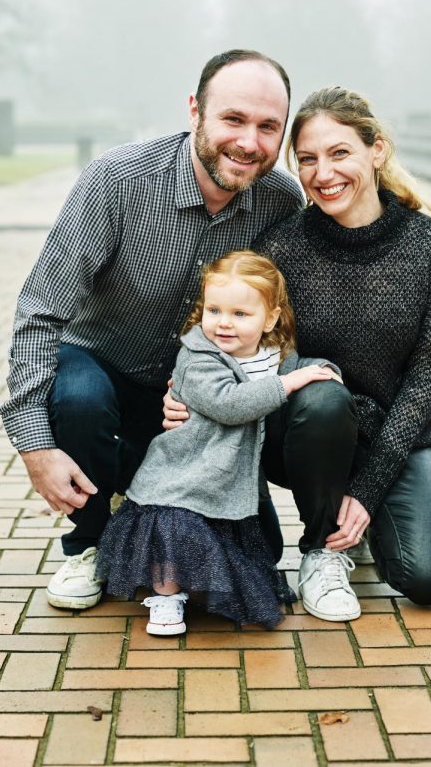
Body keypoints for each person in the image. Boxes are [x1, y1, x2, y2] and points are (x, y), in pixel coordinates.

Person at [0, 49, 312, 610]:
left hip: (199, 389)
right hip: (103, 367)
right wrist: (34, 445)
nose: (250, 142)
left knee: (260, 552)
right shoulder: (117, 182)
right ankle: (87, 544)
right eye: (234, 119)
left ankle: (142, 499)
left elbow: (281, 316)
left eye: (269, 127)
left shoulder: (281, 201)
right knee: (79, 398)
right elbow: (39, 312)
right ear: (195, 110)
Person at [165, 87, 431, 618]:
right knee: (323, 394)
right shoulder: (281, 245)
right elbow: (226, 331)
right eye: (306, 159)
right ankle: (320, 551)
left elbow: (424, 378)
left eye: (339, 153)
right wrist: (183, 389)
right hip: (299, 429)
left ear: (377, 150)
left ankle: (358, 525)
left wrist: (367, 492)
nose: (323, 173)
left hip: (390, 434)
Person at [97, 251, 344, 634]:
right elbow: (229, 405)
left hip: (230, 480)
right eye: (214, 310)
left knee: (265, 551)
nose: (224, 324)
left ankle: (200, 582)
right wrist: (289, 383)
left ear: (271, 319)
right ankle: (165, 599)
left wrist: (322, 371)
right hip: (184, 478)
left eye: (240, 314)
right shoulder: (198, 359)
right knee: (173, 534)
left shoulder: (270, 357)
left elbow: (296, 368)